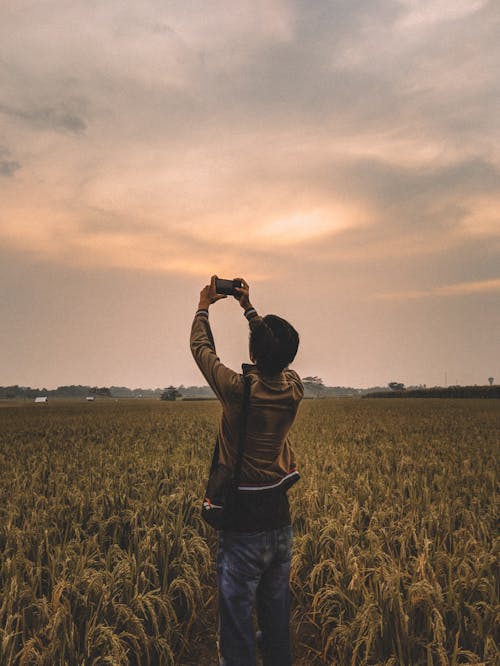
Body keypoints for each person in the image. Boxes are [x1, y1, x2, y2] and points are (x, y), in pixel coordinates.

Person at [190, 275, 304, 666]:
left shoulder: (240, 391)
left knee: (237, 630)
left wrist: (205, 305)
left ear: (255, 351)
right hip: (280, 523)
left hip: (243, 525)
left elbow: (202, 350)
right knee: (276, 624)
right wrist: (250, 309)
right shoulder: (294, 388)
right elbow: (272, 354)